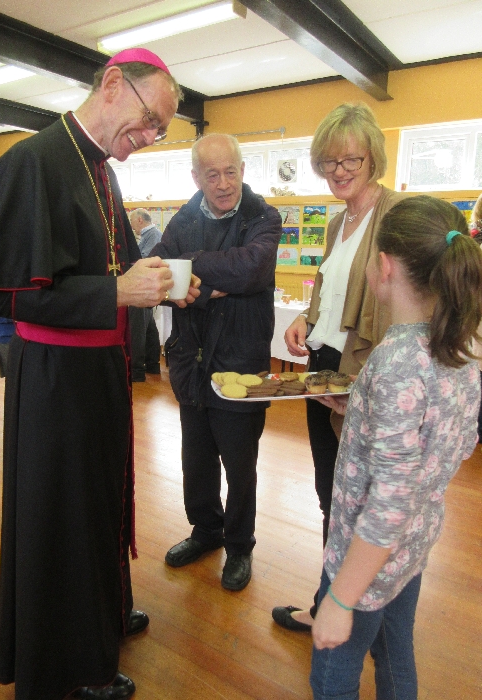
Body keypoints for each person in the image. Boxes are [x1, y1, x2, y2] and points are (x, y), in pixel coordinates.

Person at [0, 48, 200, 700]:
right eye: (150, 121)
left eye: (160, 131)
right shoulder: (31, 163)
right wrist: (117, 294)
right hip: (55, 382)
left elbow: (118, 266)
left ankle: (105, 616)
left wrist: (164, 283)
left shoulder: (100, 171)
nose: (149, 137)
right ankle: (73, 667)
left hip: (98, 372)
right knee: (65, 518)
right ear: (114, 84)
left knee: (99, 502)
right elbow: (5, 298)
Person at [308, 195, 482, 699]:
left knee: (333, 677)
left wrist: (340, 599)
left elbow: (389, 499)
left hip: (364, 559)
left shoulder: (396, 360)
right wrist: (362, 413)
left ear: (383, 266)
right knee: (396, 654)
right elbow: (453, 441)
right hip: (412, 545)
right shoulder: (460, 347)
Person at [272, 103, 406, 632]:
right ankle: (332, 602)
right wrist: (306, 318)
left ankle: (346, 608)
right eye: (329, 161)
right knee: (330, 490)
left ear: (373, 158)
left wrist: (368, 388)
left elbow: (407, 306)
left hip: (363, 372)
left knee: (361, 498)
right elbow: (331, 290)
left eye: (351, 159)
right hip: (324, 366)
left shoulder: (395, 215)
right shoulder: (337, 222)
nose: (340, 170)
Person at [151, 133, 282, 591]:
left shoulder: (263, 217)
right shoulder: (182, 220)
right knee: (197, 460)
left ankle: (239, 545)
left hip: (241, 365)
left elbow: (251, 269)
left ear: (242, 170)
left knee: (240, 465)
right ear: (196, 178)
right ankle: (206, 531)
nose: (223, 183)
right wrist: (214, 284)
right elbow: (158, 273)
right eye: (212, 175)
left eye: (230, 172)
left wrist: (191, 267)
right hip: (190, 362)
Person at [128, 209, 163, 380]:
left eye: (132, 222)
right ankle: (151, 364)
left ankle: (137, 370)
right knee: (148, 326)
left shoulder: (152, 235)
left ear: (140, 220)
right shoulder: (151, 235)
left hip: (142, 287)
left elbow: (144, 260)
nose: (132, 226)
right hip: (146, 287)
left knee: (138, 329)